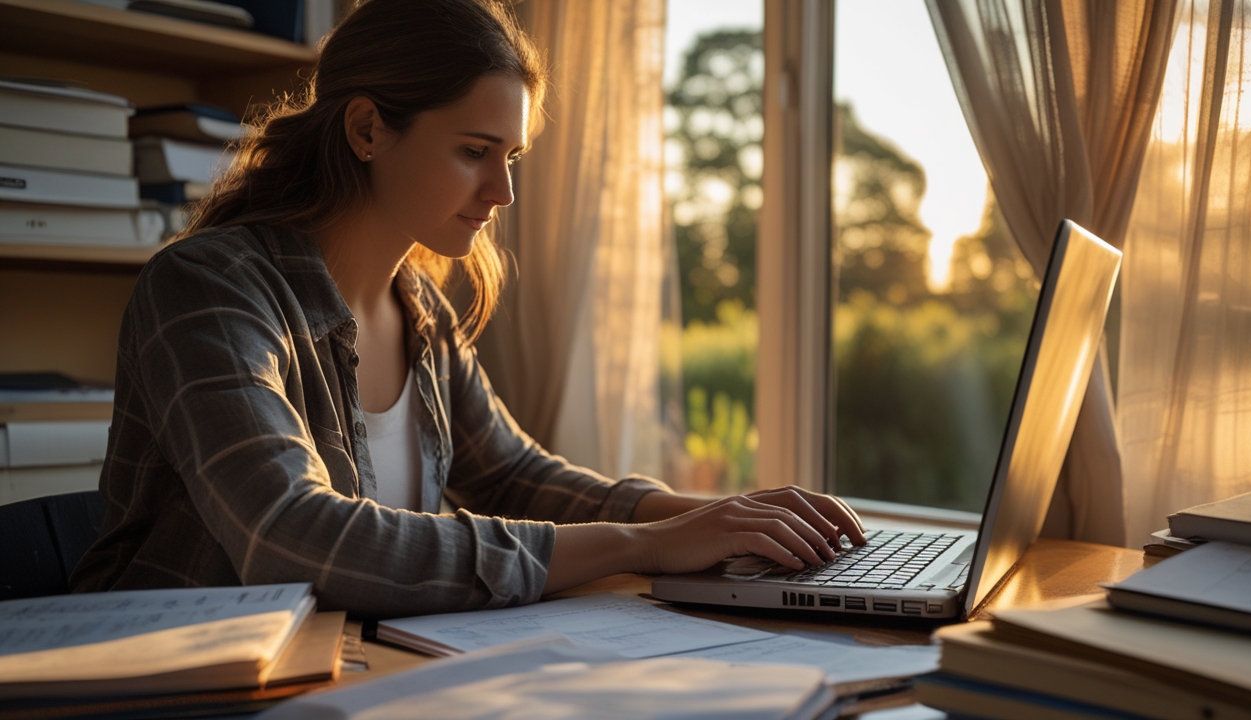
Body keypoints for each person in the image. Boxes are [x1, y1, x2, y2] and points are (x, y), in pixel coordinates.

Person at [71, 0, 865, 617]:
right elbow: (293, 538)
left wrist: (725, 519)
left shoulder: (418, 308)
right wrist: (647, 543)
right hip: (179, 681)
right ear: (367, 129)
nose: (503, 192)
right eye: (474, 152)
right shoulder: (208, 289)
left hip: (356, 671)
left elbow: (514, 475)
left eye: (511, 157)